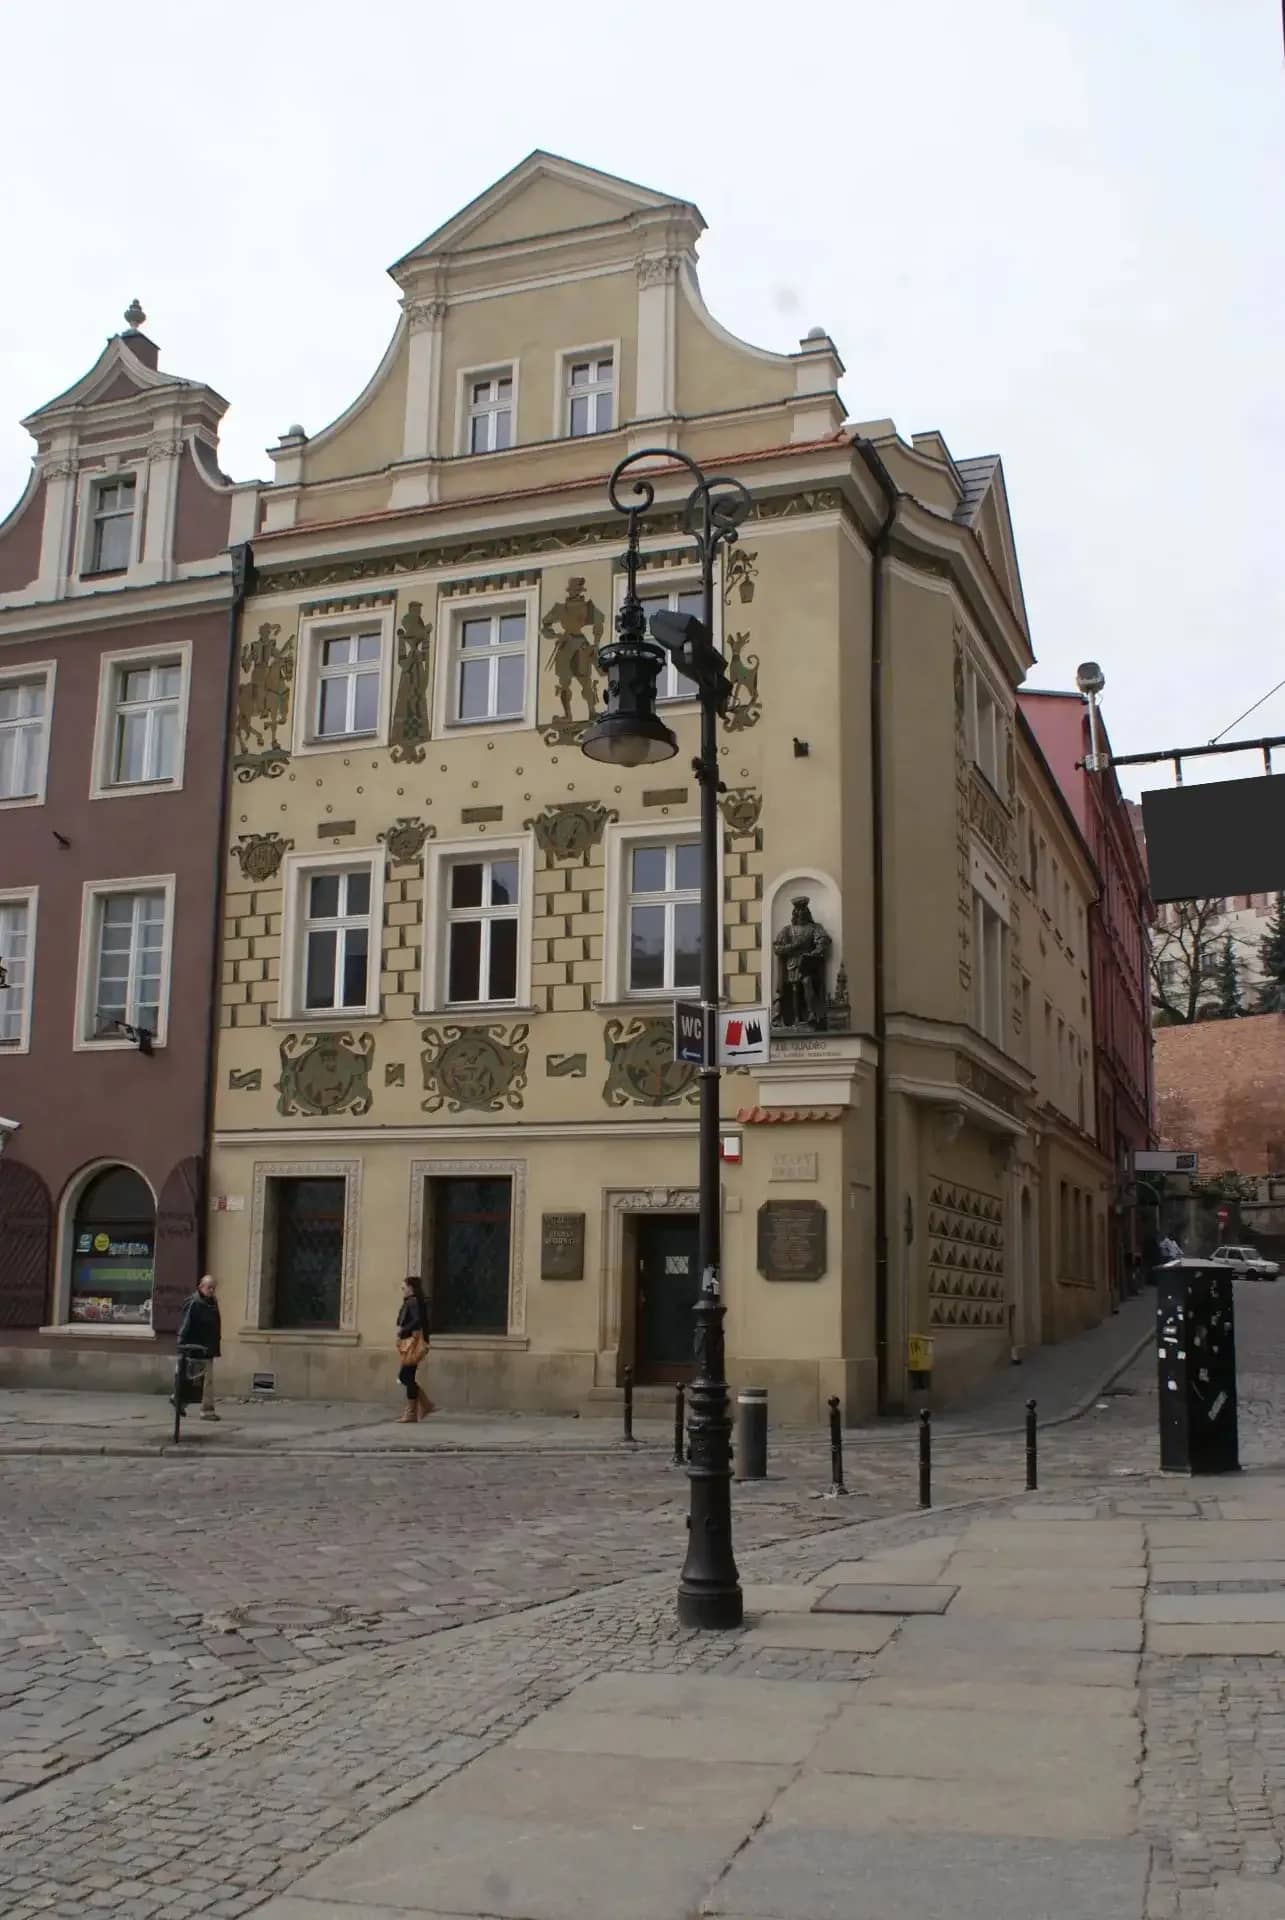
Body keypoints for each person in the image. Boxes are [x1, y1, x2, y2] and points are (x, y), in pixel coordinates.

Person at [177, 1274, 222, 1422]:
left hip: (207, 1347)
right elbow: (185, 1324)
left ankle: (207, 1411)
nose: (211, 1290)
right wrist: (182, 1343)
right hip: (195, 1347)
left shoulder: (212, 1302)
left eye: (213, 1288)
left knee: (207, 1381)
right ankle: (179, 1401)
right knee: (192, 1380)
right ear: (201, 1287)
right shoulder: (193, 1302)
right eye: (209, 1287)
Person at [395, 1277, 432, 1423]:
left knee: (405, 1376)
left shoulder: (414, 1302)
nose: (402, 1290)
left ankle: (415, 1411)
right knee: (407, 1376)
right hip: (411, 1343)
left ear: (411, 1288)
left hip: (413, 1343)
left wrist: (403, 1330)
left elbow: (417, 1321)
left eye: (404, 1287)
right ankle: (425, 1405)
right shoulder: (413, 1301)